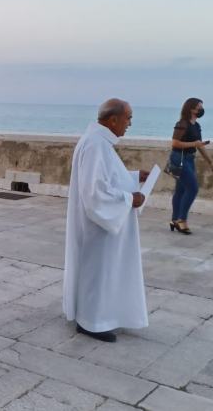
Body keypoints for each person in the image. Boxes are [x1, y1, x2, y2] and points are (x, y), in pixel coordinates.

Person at [63, 98, 149, 343]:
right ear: (113, 119)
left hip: (102, 225)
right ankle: (91, 321)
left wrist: (133, 178)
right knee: (97, 272)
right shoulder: (95, 145)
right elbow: (95, 192)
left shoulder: (99, 141)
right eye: (128, 118)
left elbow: (108, 179)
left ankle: (102, 316)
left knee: (104, 271)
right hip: (97, 227)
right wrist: (128, 199)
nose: (130, 124)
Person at [169, 98, 213, 235]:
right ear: (191, 109)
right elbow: (175, 143)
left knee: (180, 190)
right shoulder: (182, 124)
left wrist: (211, 162)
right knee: (192, 188)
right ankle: (182, 220)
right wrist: (193, 144)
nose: (201, 110)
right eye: (199, 107)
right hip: (179, 158)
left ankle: (174, 219)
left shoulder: (196, 126)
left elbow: (199, 145)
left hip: (189, 159)